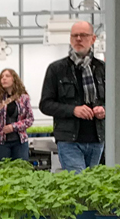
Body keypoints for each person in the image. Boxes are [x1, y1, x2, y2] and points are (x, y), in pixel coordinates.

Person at [38, 20, 106, 172]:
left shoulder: (102, 69)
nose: (79, 39)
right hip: (69, 140)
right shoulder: (57, 69)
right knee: (78, 182)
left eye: (83, 35)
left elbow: (116, 102)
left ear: (93, 39)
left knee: (92, 184)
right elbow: (45, 104)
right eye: (75, 35)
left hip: (97, 139)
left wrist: (104, 110)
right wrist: (73, 110)